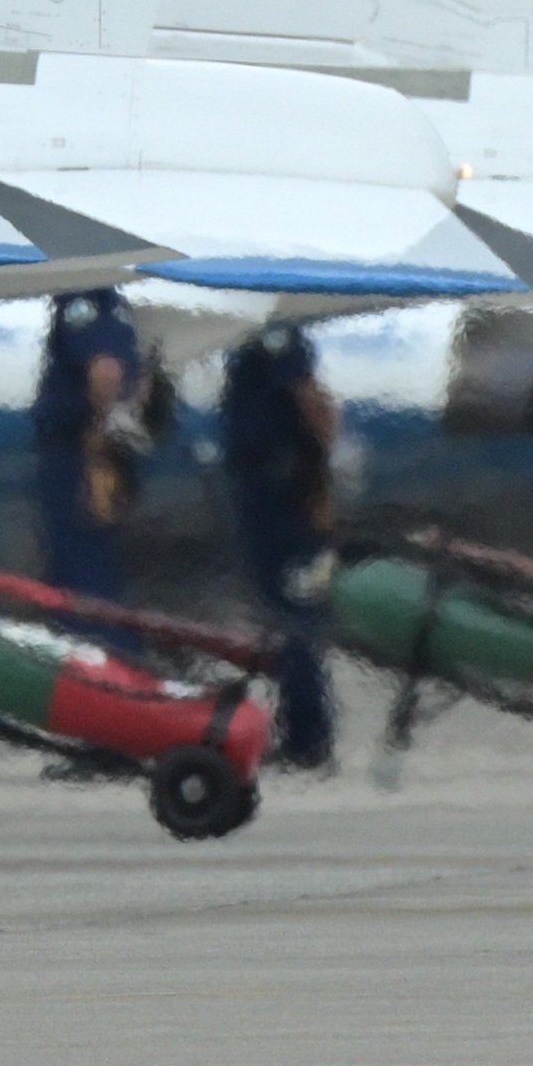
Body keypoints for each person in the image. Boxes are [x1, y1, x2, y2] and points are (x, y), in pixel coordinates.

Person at [214, 317, 343, 771]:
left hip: (282, 491)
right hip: (262, 488)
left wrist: (322, 475)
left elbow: (311, 399)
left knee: (294, 612)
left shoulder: (275, 332)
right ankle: (301, 728)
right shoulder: (248, 331)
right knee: (280, 610)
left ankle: (308, 735)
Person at [30, 287, 148, 601]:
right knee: (94, 562)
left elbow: (106, 372)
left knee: (80, 572)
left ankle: (93, 644)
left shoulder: (85, 298)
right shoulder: (113, 303)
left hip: (76, 453)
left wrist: (97, 447)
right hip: (91, 449)